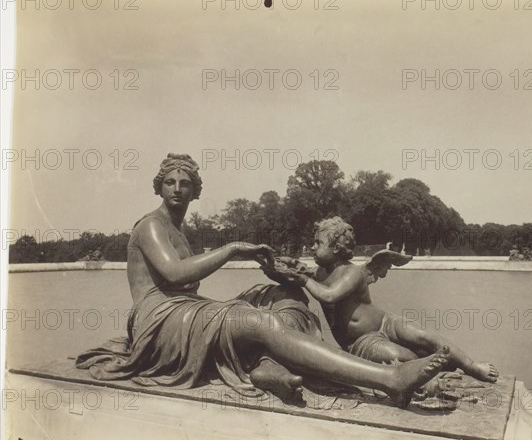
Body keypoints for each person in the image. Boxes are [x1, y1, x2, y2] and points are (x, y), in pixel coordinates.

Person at [76, 154, 451, 408]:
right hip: (160, 322)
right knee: (258, 320)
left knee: (282, 293)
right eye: (170, 182)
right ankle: (389, 378)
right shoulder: (152, 226)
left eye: (185, 183)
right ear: (159, 187)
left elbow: (186, 283)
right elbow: (174, 275)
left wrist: (276, 271)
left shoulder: (178, 230)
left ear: (195, 190)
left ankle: (266, 369)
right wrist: (233, 249)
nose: (177, 188)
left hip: (185, 314)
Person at [273, 217, 498, 384]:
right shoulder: (318, 273)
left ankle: (471, 366)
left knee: (425, 336)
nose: (311, 247)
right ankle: (436, 368)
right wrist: (277, 265)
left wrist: (301, 278)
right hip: (360, 342)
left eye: (318, 243)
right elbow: (297, 277)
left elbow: (329, 295)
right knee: (401, 358)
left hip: (385, 322)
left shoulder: (352, 273)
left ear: (337, 247)